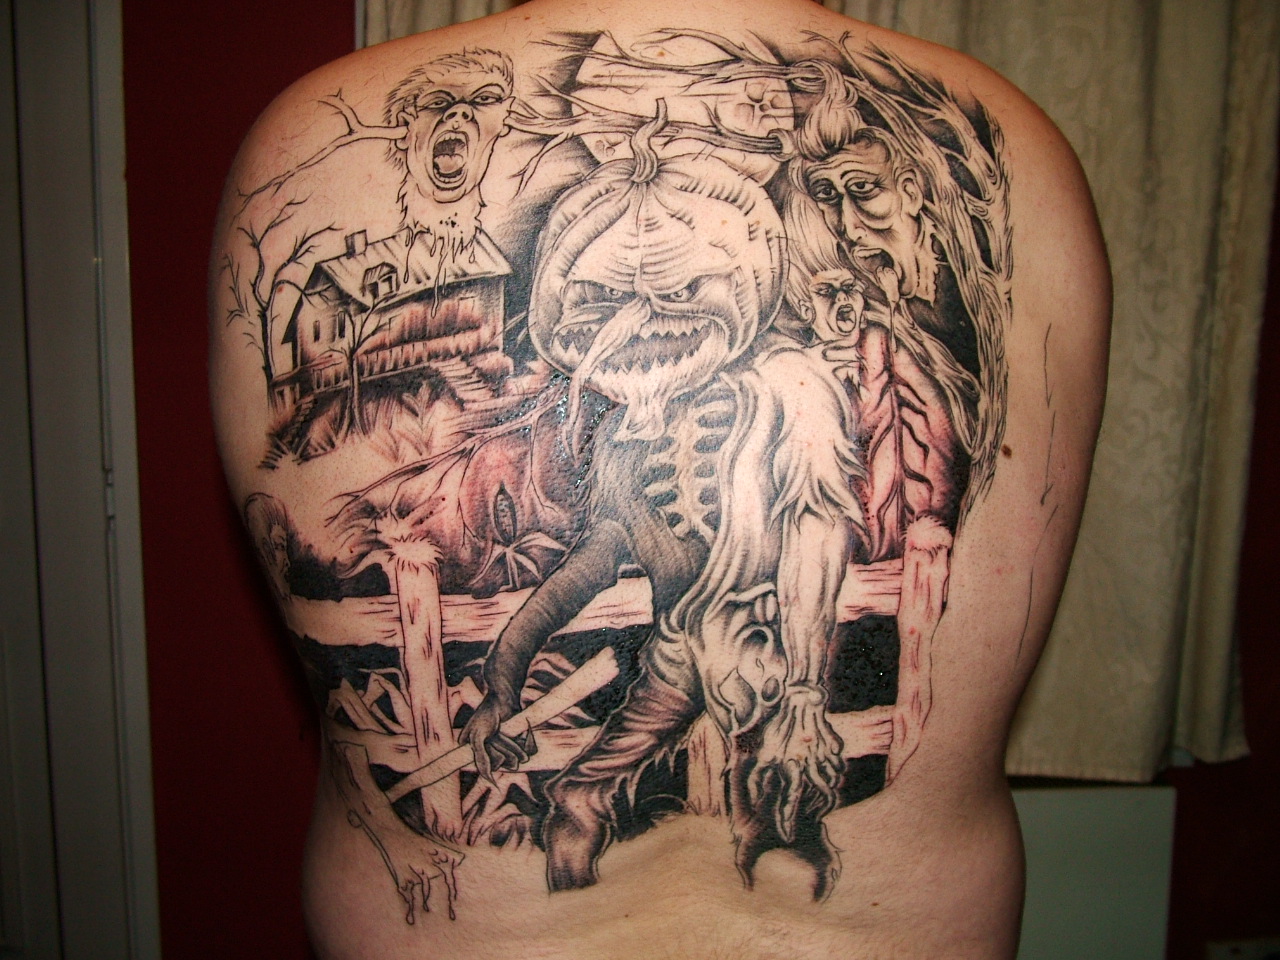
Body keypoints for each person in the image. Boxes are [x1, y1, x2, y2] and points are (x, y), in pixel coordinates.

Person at [209, 1, 1110, 957]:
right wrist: (504, 682)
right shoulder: (1027, 154)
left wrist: (802, 689)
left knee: (746, 787)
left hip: (753, 695)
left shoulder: (794, 393)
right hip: (705, 687)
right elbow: (588, 566)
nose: (640, 323)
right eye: (606, 299)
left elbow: (818, 526)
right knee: (588, 786)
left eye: (676, 291)